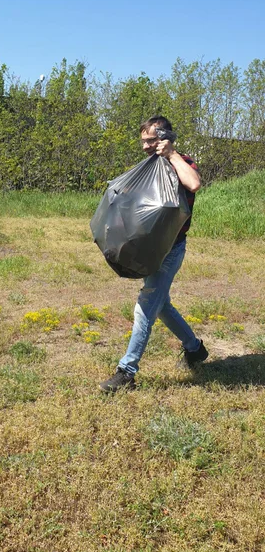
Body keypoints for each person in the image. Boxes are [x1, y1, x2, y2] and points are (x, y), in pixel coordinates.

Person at [100, 115, 208, 393]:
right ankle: (194, 349)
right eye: (143, 141)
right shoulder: (147, 168)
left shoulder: (182, 162)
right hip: (149, 250)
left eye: (151, 140)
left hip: (170, 251)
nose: (146, 146)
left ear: (165, 137)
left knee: (146, 306)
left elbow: (194, 184)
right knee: (161, 305)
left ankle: (127, 371)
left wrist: (171, 154)